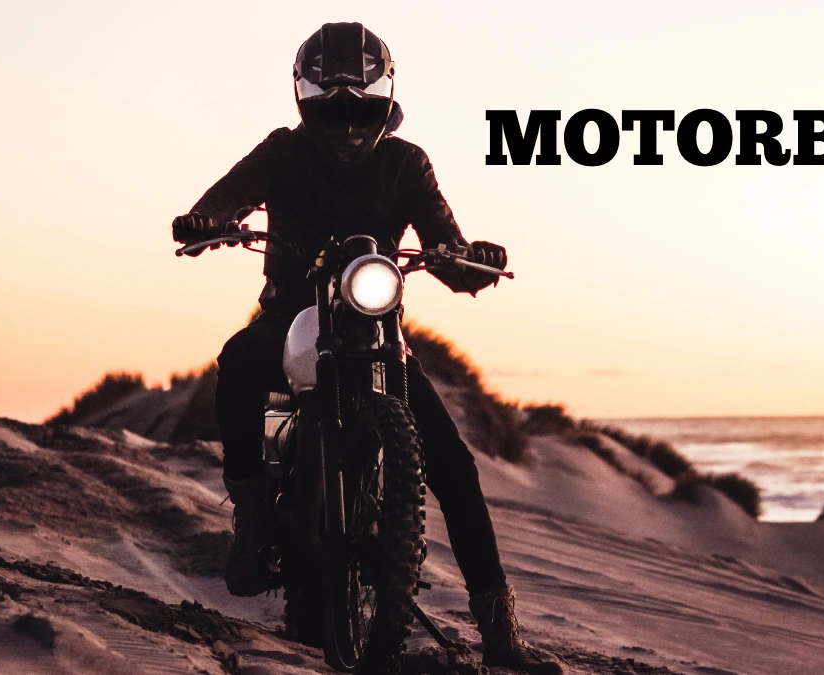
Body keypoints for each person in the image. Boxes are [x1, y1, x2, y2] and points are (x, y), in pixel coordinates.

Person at [171, 22, 563, 675]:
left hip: (377, 325)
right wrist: (207, 219)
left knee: (455, 466)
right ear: (306, 103)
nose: (348, 124)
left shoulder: (406, 163)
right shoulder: (282, 152)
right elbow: (226, 197)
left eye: (362, 109)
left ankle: (499, 630)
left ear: (385, 102)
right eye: (332, 109)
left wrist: (473, 260)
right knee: (239, 359)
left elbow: (446, 246)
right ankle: (252, 511)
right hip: (292, 311)